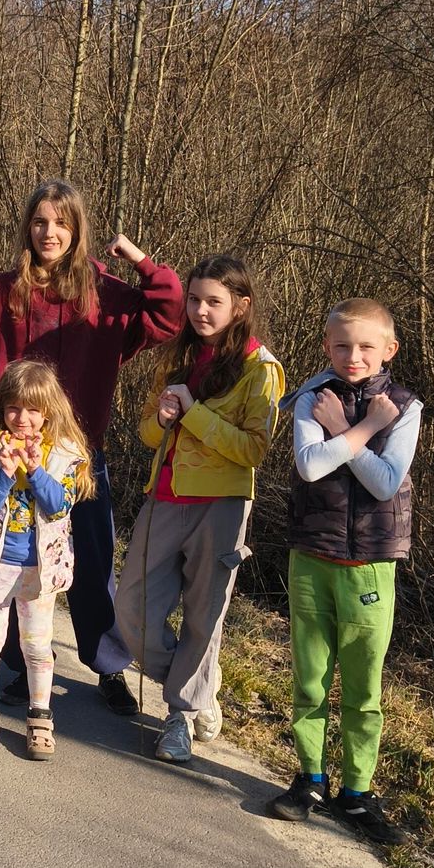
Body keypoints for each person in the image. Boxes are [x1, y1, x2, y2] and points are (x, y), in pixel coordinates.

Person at [0, 180, 182, 714]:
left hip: (76, 456)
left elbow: (170, 314)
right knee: (8, 563)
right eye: (39, 222)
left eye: (61, 223)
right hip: (7, 460)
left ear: (77, 231)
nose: (48, 233)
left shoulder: (103, 296)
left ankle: (107, 668)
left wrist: (143, 263)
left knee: (94, 566)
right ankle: (16, 667)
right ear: (26, 229)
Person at [112, 255, 284, 764]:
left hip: (222, 506)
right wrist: (163, 418)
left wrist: (195, 411)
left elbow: (254, 449)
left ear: (241, 306)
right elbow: (147, 432)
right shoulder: (175, 359)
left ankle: (181, 717)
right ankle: (198, 686)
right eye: (194, 300)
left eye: (214, 302)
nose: (201, 312)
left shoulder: (261, 368)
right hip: (163, 498)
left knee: (204, 617)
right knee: (132, 609)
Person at [265, 298, 421, 846]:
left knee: (363, 686)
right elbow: (308, 466)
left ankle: (357, 792)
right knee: (309, 678)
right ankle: (309, 778)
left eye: (365, 347)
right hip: (312, 555)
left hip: (371, 567)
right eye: (341, 346)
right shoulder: (314, 397)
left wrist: (352, 430)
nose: (352, 357)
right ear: (326, 346)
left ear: (388, 350)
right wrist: (360, 428)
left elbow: (385, 482)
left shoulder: (405, 406)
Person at [0, 360, 95, 761]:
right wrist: (3, 473)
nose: (22, 419)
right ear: (2, 409)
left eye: (33, 410)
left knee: (37, 645)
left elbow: (59, 507)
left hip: (40, 568)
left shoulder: (64, 454)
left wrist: (35, 470)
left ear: (48, 412)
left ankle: (40, 718)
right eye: (14, 409)